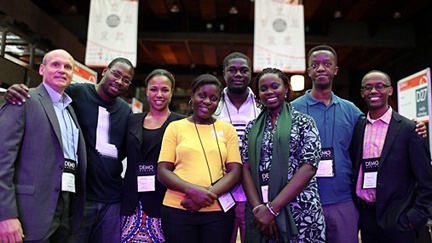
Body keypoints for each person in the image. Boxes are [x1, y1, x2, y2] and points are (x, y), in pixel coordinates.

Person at [290, 45, 427, 243]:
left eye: (327, 64)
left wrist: (414, 126)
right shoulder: (292, 110)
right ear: (308, 70)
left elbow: (382, 127)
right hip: (303, 201)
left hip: (344, 201)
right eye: (315, 65)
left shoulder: (350, 110)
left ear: (335, 70)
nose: (321, 69)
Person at [4, 57, 135, 242]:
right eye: (116, 74)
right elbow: (46, 99)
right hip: (79, 197)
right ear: (105, 71)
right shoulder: (76, 93)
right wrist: (16, 90)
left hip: (111, 198)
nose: (120, 81)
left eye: (126, 80)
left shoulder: (126, 111)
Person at [0, 49, 87, 242]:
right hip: (29, 212)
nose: (62, 70)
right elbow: (2, 161)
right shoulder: (23, 100)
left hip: (64, 207)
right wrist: (5, 214)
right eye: (55, 64)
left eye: (67, 67)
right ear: (41, 69)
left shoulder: (70, 110)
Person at [242, 68, 325, 243]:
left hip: (301, 210)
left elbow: (309, 167)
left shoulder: (304, 122)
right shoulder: (251, 128)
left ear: (286, 88)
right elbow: (246, 168)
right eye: (263, 89)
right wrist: (259, 209)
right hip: (262, 213)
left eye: (275, 86)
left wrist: (272, 209)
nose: (269, 92)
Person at [157, 74, 242, 243]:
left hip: (217, 212)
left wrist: (204, 198)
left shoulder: (227, 130)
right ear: (192, 96)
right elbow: (163, 171)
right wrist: (192, 191)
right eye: (202, 95)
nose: (207, 102)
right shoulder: (175, 127)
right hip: (178, 208)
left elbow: (235, 172)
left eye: (213, 98)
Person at [350, 70, 432, 243]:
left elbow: (427, 182)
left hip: (399, 221)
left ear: (390, 90)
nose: (373, 91)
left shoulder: (410, 129)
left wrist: (413, 218)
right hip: (366, 219)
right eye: (368, 87)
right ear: (362, 92)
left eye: (380, 86)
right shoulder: (358, 129)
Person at [121, 69, 184, 242]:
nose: (159, 94)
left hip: (164, 202)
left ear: (171, 93)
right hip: (131, 202)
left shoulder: (181, 123)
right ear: (147, 91)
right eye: (153, 89)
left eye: (165, 90)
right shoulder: (132, 120)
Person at [214, 52, 261, 243]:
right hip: (221, 191)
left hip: (255, 191)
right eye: (232, 70)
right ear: (224, 73)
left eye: (244, 70)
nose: (238, 74)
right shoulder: (213, 103)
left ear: (251, 73)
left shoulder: (262, 102)